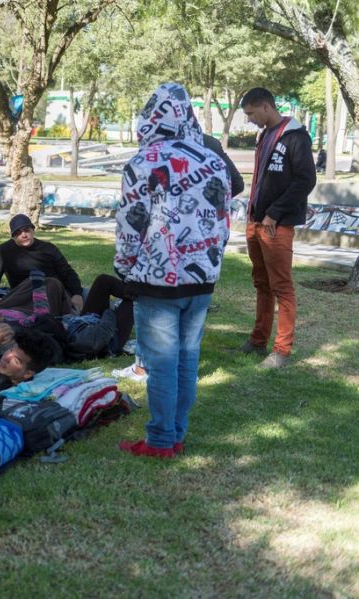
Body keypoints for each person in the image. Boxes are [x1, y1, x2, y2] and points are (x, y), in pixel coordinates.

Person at [114, 82, 231, 458]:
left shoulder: (143, 162)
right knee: (187, 359)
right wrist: (211, 264)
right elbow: (223, 221)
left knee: (162, 364)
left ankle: (161, 440)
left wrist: (125, 267)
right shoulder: (214, 161)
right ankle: (176, 434)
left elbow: (131, 223)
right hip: (202, 278)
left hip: (157, 281)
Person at [113, 132, 244, 383]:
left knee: (160, 316)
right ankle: (170, 372)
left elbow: (134, 210)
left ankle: (149, 368)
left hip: (170, 248)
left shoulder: (177, 146)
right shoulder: (205, 145)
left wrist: (198, 204)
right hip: (190, 253)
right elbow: (234, 184)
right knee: (182, 326)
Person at [238, 87, 316, 369]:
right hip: (256, 222)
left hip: (276, 225)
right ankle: (257, 341)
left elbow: (306, 180)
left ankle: (281, 352)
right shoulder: (264, 136)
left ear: (266, 107)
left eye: (250, 114)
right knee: (261, 284)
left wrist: (274, 214)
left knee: (282, 288)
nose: (249, 120)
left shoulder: (295, 136)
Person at [0, 214, 84, 315]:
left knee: (49, 282)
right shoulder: (3, 251)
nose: (23, 235)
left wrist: (77, 294)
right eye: (18, 233)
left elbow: (67, 272)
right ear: (13, 236)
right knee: (34, 281)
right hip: (25, 297)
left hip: (52, 293)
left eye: (26, 230)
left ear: (33, 230)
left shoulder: (49, 248)